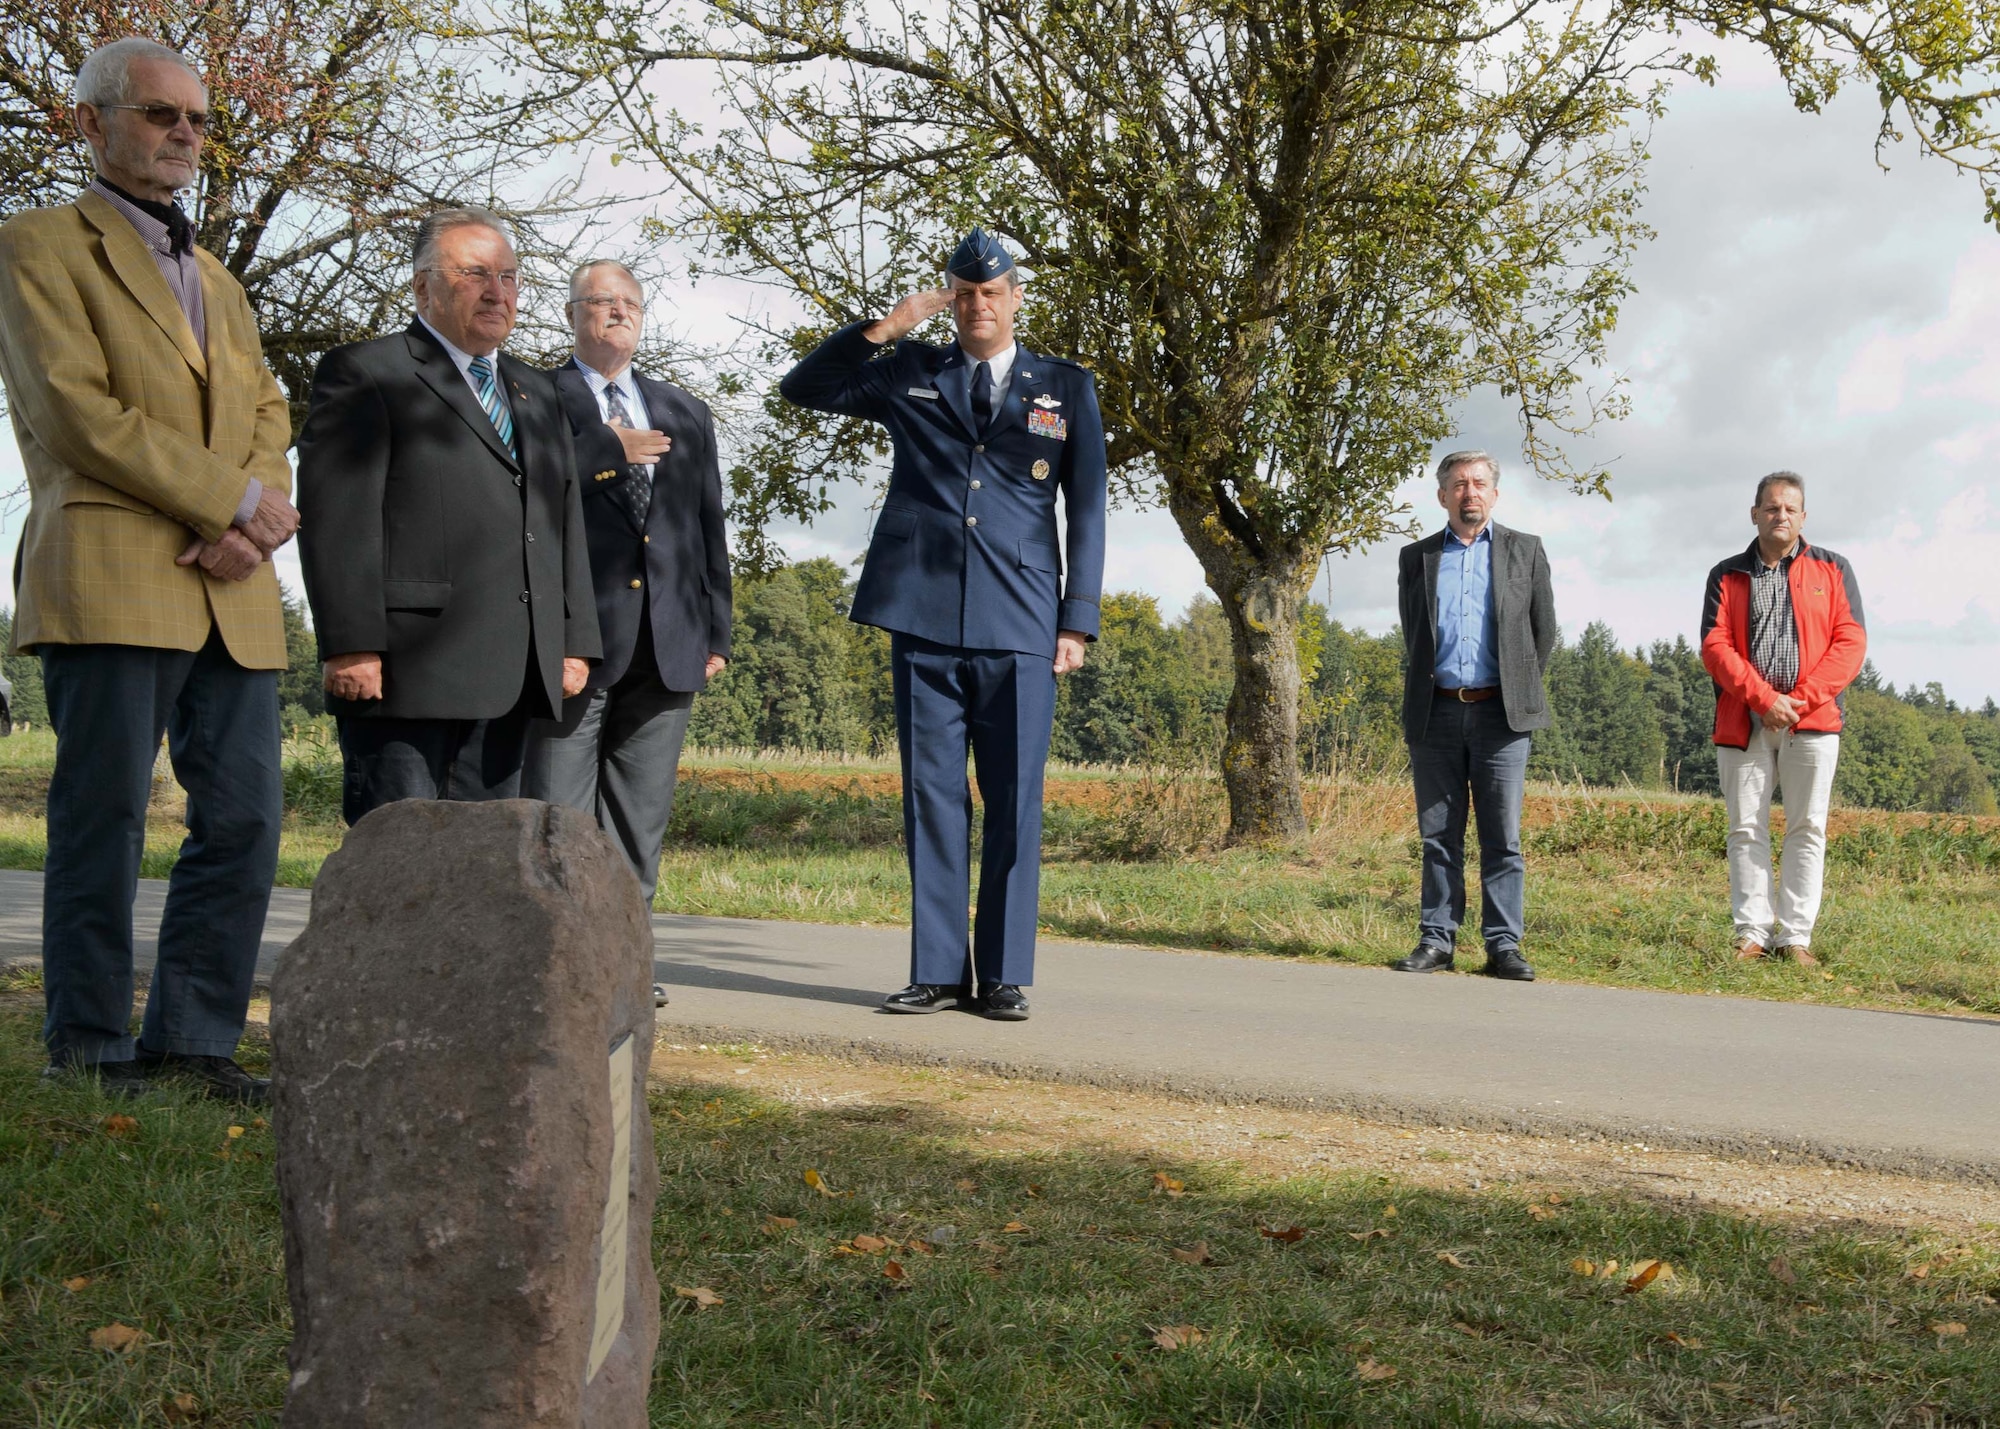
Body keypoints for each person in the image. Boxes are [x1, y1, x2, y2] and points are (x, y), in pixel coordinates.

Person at [0, 38, 299, 1101]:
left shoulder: (218, 276)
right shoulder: (35, 246)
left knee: (250, 819)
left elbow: (267, 409)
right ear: (88, 123)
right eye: (160, 113)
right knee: (106, 814)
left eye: (200, 121)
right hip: (114, 570)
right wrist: (229, 501)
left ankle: (195, 1040)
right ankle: (88, 1044)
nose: (185, 134)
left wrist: (254, 519)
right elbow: (76, 412)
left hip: (233, 588)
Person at [779, 228, 1106, 1021]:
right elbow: (804, 388)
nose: (976, 306)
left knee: (1014, 798)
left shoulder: (1064, 386)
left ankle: (1000, 974)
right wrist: (885, 330)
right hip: (921, 612)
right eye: (963, 294)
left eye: (991, 293)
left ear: (1016, 297)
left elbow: (1087, 506)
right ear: (949, 298)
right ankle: (935, 969)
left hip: (1023, 619)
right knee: (931, 796)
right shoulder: (910, 371)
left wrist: (1078, 620)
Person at [296, 208, 599, 822]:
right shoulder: (367, 372)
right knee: (398, 864)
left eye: (509, 277)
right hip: (411, 672)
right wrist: (351, 646)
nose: (497, 292)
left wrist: (574, 640)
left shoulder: (537, 392)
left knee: (488, 875)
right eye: (475, 274)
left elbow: (561, 520)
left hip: (516, 671)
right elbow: (338, 521)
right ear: (421, 286)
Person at [524, 261, 731, 926]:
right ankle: (558, 960)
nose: (619, 312)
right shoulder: (533, 397)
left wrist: (715, 630)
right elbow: (525, 508)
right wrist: (608, 449)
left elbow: (706, 524)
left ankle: (627, 964)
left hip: (668, 642)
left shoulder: (684, 410)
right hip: (573, 644)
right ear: (571, 314)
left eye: (630, 303)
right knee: (559, 818)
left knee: (639, 823)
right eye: (602, 301)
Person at [1391, 450, 1557, 982]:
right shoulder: (1415, 558)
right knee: (1438, 835)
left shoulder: (1525, 552)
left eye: (1480, 483)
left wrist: (1514, 688)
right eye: (1459, 484)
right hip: (1435, 713)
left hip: (1501, 718)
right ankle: (1437, 940)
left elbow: (1542, 635)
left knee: (1502, 837)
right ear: (1442, 496)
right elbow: (1414, 633)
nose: (1470, 493)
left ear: (1495, 493)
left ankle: (1503, 946)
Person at [1700, 472, 1865, 966]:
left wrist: (1799, 701)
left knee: (1807, 827)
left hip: (1811, 722)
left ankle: (1795, 939)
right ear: (1754, 514)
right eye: (1771, 508)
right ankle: (1752, 934)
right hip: (1744, 720)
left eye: (1790, 509)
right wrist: (1763, 699)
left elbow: (1850, 644)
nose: (1781, 516)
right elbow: (1715, 646)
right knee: (1745, 827)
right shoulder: (1727, 573)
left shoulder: (1834, 569)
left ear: (1804, 517)